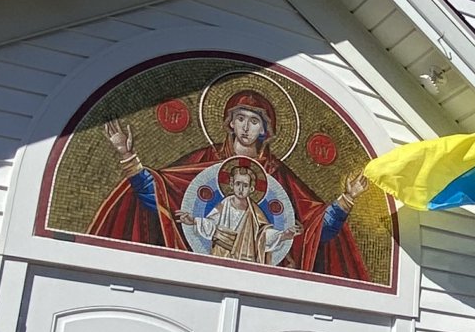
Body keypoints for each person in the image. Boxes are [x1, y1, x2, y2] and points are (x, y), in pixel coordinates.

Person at [86, 87, 371, 277]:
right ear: (230, 123)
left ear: (264, 130)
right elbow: (159, 193)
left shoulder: (277, 174)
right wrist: (127, 155)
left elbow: (315, 228)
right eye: (240, 118)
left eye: (254, 121)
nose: (246, 127)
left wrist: (347, 200)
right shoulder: (204, 161)